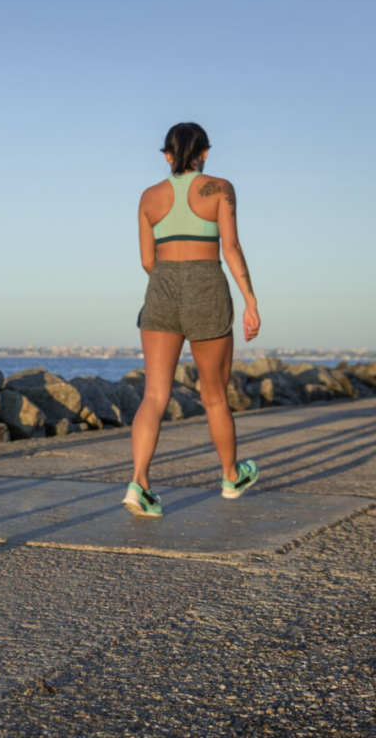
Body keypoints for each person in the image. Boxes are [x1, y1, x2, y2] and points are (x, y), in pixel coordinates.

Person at [124, 123, 260, 517]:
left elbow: (147, 261)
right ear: (205, 153)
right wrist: (250, 300)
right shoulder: (220, 188)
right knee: (215, 396)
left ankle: (140, 483)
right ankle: (231, 477)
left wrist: (171, 283)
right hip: (206, 285)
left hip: (162, 288)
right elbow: (230, 247)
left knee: (154, 395)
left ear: (167, 156)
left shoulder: (149, 197)